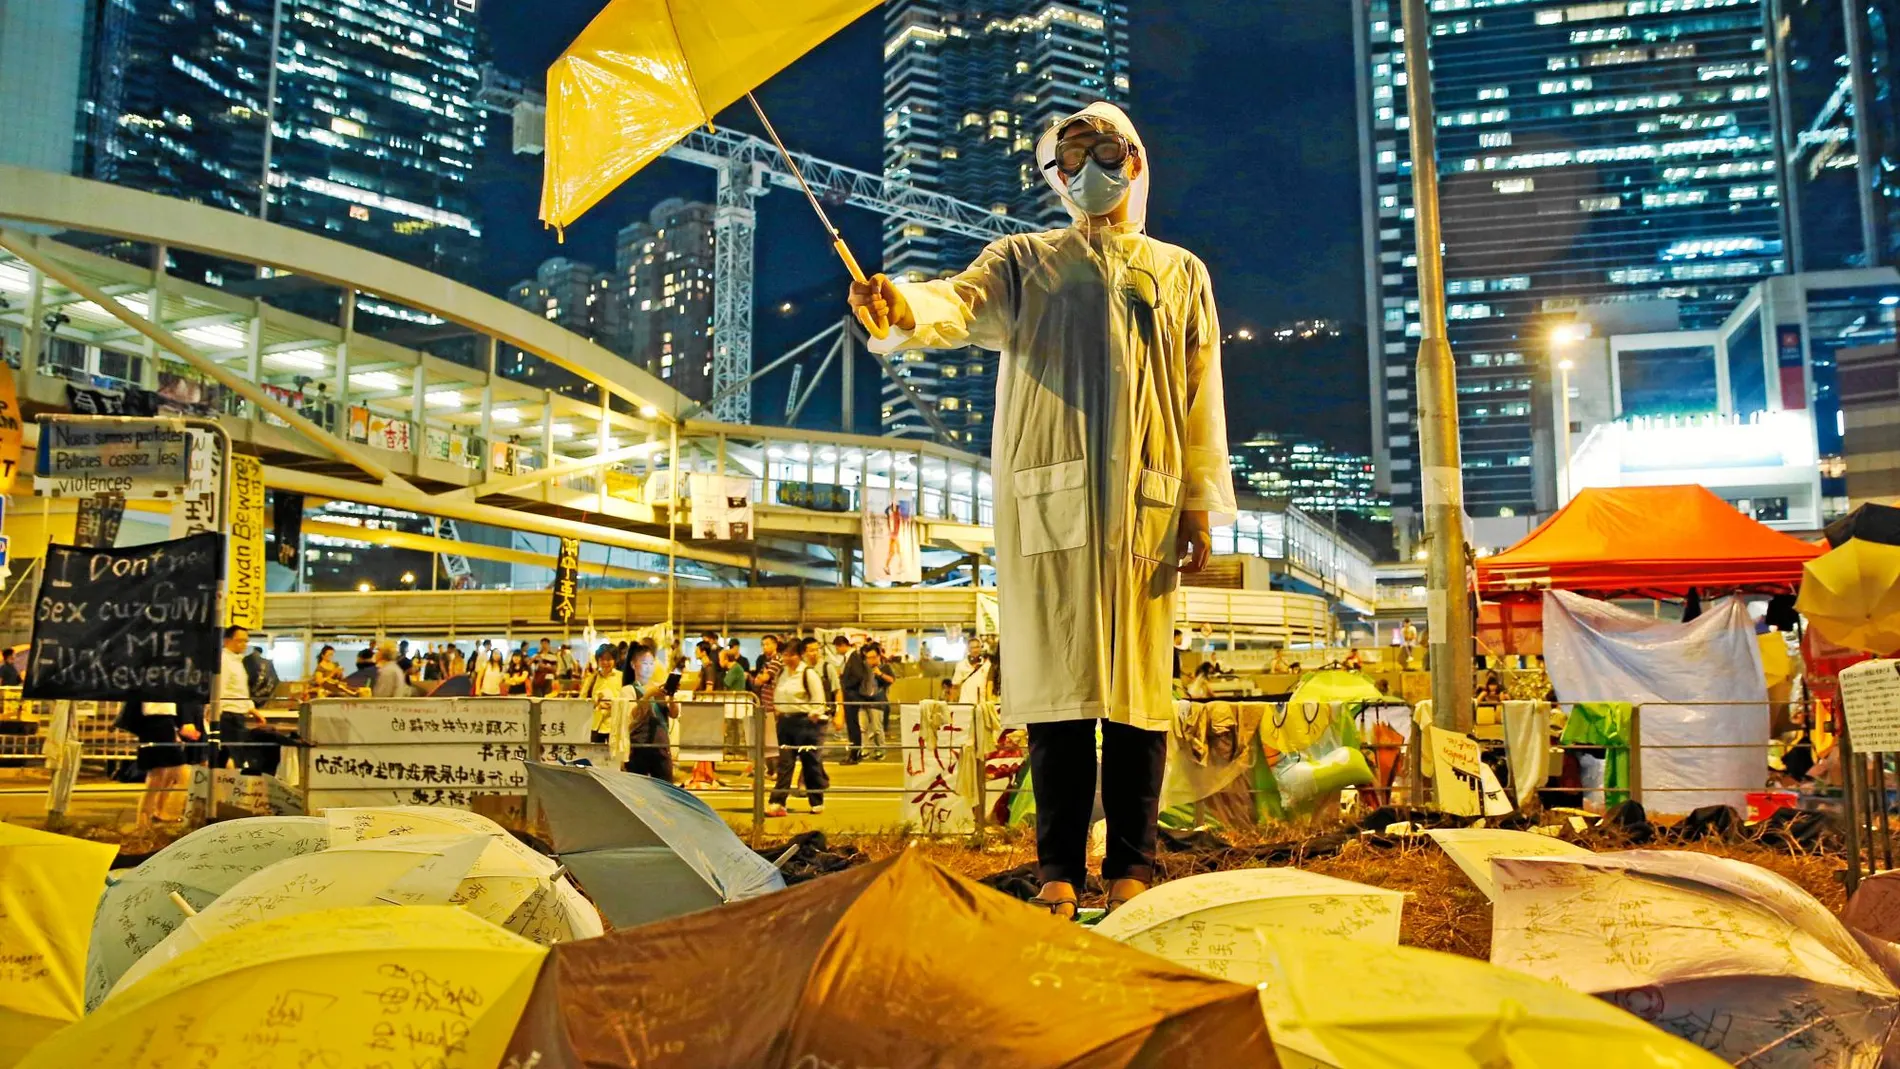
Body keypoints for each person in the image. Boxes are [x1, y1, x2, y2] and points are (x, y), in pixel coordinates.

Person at [850, 102, 1234, 918]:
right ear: (1053, 178)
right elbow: (954, 303)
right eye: (1070, 158)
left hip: (1145, 506)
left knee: (1137, 696)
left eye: (1102, 150)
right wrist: (900, 306)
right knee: (1058, 695)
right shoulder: (1023, 261)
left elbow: (1202, 398)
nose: (1088, 167)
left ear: (1135, 159)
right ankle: (1058, 864)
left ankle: (1134, 863)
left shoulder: (1180, 272)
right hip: (1047, 502)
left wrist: (1199, 504)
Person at [766, 638, 831, 816]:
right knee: (785, 764)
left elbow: (819, 699)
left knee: (811, 764)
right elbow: (778, 695)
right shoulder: (781, 673)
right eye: (784, 654)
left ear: (800, 655)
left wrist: (815, 713)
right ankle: (777, 803)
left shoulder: (808, 673)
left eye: (791, 655)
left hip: (806, 724)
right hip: (785, 723)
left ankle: (816, 801)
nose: (787, 658)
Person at [217, 625, 270, 770]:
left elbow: (240, 691)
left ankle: (222, 788)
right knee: (236, 757)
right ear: (227, 640)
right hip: (228, 715)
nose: (244, 644)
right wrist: (215, 714)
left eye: (246, 641)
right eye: (240, 641)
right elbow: (219, 689)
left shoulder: (237, 661)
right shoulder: (224, 660)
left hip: (237, 714)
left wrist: (253, 710)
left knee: (227, 756)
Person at [622, 643, 675, 782]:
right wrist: (648, 695)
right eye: (645, 663)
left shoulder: (659, 688)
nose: (649, 667)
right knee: (638, 788)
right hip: (639, 747)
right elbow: (634, 717)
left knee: (667, 788)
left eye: (652, 663)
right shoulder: (628, 690)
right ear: (633, 665)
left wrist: (671, 696)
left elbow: (674, 714)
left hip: (661, 745)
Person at [841, 642, 893, 760]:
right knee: (862, 728)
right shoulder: (863, 667)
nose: (871, 660)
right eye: (868, 658)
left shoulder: (885, 667)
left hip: (877, 701)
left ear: (879, 656)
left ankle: (880, 750)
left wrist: (881, 674)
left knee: (876, 728)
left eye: (873, 657)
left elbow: (892, 680)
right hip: (863, 700)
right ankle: (865, 750)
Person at [583, 646, 622, 744]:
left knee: (614, 757)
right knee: (595, 756)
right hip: (595, 725)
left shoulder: (622, 677)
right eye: (602, 659)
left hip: (615, 725)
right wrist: (596, 704)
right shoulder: (592, 679)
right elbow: (582, 700)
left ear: (615, 660)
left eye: (608, 659)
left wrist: (614, 704)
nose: (605, 662)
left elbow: (628, 699)